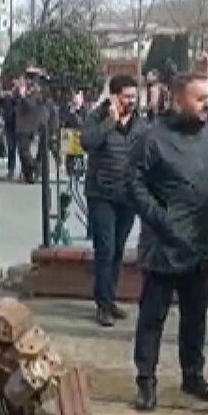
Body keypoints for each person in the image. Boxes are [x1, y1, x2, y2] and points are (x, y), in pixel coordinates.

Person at [128, 72, 208, 411]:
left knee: (196, 316)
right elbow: (133, 185)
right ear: (179, 99)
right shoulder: (151, 138)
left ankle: (193, 374)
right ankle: (146, 380)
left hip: (200, 243)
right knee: (153, 317)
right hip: (164, 244)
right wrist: (160, 218)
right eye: (200, 99)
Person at [81, 75, 146, 327]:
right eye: (127, 96)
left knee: (118, 250)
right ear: (114, 96)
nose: (131, 101)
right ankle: (102, 304)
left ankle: (110, 298)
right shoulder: (98, 118)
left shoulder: (141, 124)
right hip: (101, 194)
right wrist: (111, 121)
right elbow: (88, 142)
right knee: (105, 249)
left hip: (127, 195)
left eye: (134, 96)